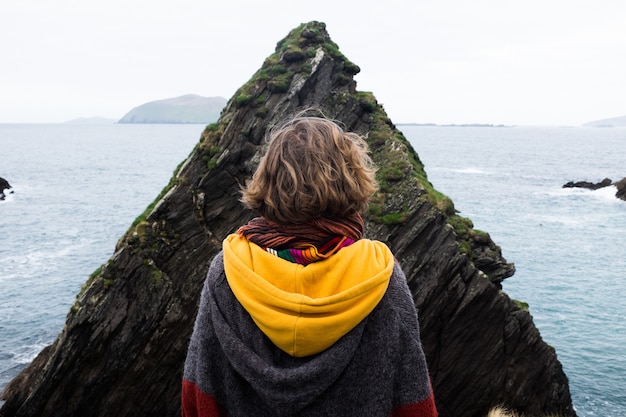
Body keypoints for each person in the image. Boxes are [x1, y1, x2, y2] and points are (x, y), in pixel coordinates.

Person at [181, 112, 438, 417]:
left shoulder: (228, 269)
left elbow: (197, 395)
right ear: (350, 178)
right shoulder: (380, 275)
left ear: (268, 180)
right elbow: (414, 403)